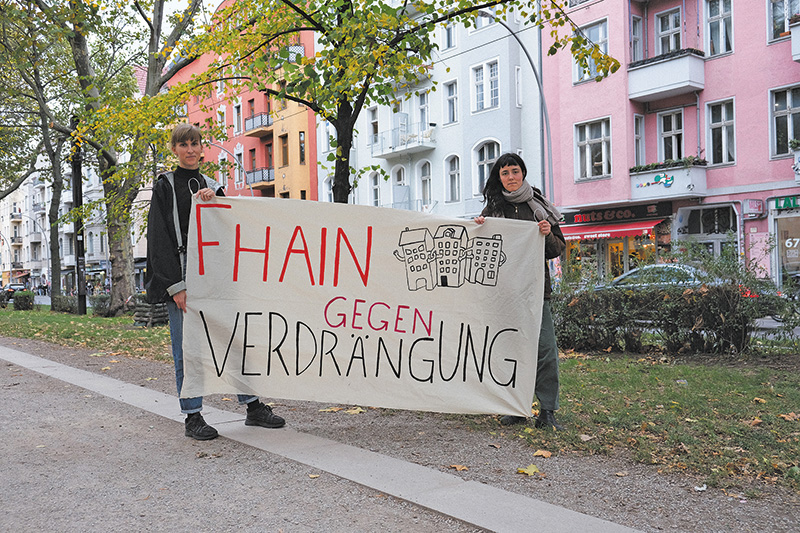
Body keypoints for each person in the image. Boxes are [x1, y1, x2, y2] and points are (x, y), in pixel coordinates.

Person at [145, 123, 285, 440]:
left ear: (201, 147)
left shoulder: (212, 185)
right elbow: (158, 237)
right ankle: (193, 416)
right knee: (188, 350)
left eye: (195, 143)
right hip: (182, 277)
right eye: (184, 144)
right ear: (175, 149)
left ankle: (252, 406)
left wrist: (215, 203)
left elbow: (225, 233)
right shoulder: (165, 185)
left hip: (215, 278)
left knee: (235, 339)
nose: (191, 149)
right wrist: (175, 286)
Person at [474, 152, 566, 430]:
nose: (511, 177)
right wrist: (478, 228)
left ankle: (547, 410)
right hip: (506, 294)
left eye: (515, 171)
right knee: (509, 349)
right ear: (498, 177)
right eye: (505, 173)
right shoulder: (493, 210)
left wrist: (547, 232)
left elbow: (556, 250)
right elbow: (483, 252)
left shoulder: (539, 207)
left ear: (523, 173)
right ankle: (514, 406)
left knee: (546, 350)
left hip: (538, 293)